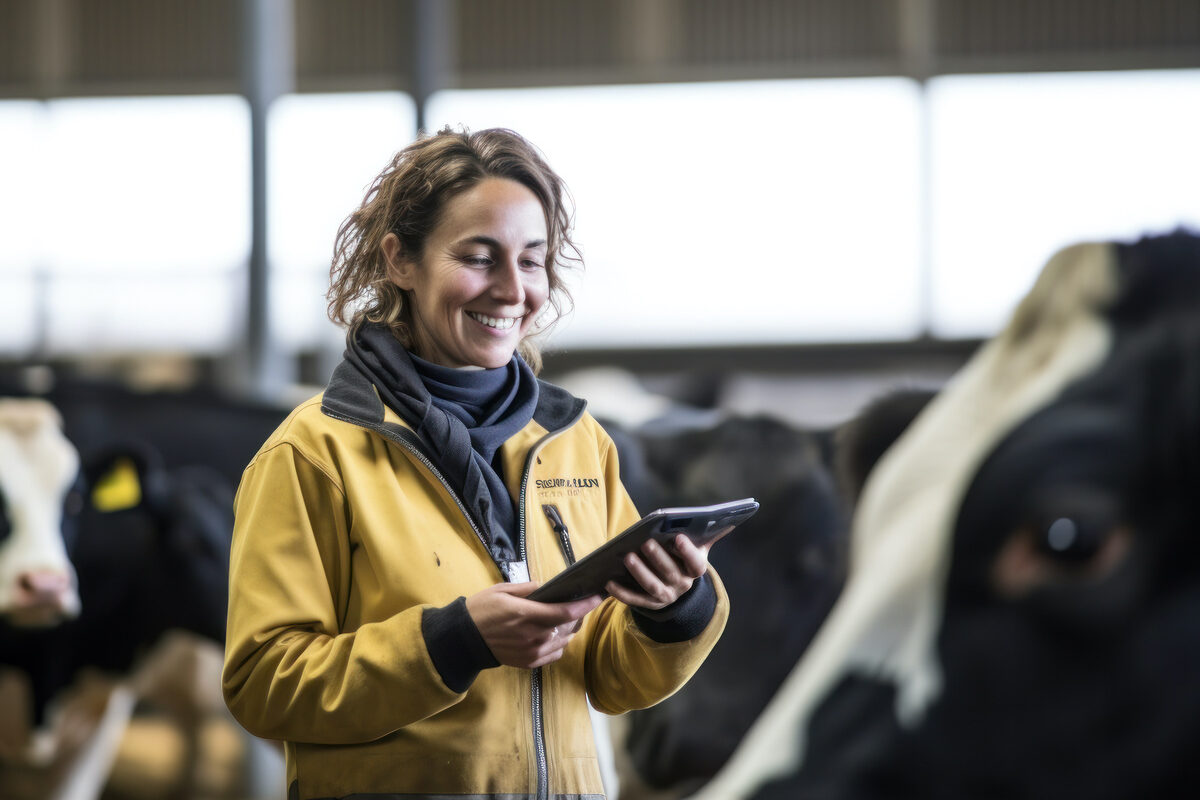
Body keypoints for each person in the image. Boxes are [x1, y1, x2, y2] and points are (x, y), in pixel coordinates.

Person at [221, 126, 730, 800]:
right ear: (400, 261)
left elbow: (611, 679)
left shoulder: (577, 441)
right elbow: (263, 684)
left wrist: (674, 610)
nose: (512, 289)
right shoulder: (315, 453)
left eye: (532, 260)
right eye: (479, 257)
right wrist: (451, 642)